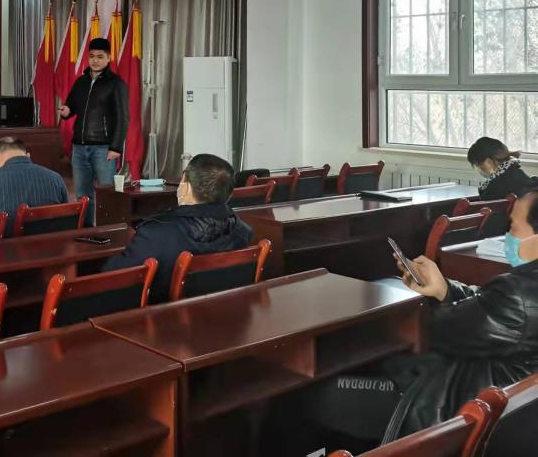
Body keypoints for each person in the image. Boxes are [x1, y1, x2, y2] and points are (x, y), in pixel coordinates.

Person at [277, 183, 538, 455]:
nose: (507, 235)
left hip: (440, 406)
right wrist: (444, 289)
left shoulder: (517, 296)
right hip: (488, 407)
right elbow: (485, 305)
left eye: (513, 227)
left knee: (306, 396)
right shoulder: (522, 292)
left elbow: (432, 331)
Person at [101, 153, 253, 303]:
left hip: (162, 316)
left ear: (187, 188)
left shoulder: (156, 234)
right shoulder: (243, 231)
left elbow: (111, 278)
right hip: (221, 312)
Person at [59, 37, 129, 225]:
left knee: (108, 194)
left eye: (100, 56)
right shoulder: (81, 82)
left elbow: (123, 117)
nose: (95, 60)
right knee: (82, 195)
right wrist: (66, 111)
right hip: (79, 149)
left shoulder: (116, 83)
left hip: (104, 149)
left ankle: (111, 229)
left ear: (108, 58)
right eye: (91, 56)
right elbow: (71, 106)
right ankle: (86, 229)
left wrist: (116, 147)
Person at [0, 137, 69, 235]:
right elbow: (67, 217)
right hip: (50, 244)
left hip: (2, 246)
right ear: (27, 155)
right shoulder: (55, 178)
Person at [468, 136, 532, 201]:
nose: (479, 169)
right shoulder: (518, 173)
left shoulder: (493, 187)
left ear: (488, 162)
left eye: (478, 165)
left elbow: (486, 204)